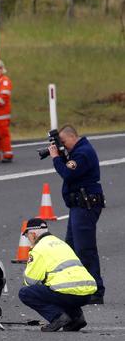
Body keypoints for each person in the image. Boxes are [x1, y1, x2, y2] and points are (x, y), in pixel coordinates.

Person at [48, 125, 105, 304]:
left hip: (85, 204)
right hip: (78, 205)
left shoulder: (82, 153)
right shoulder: (78, 151)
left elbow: (67, 173)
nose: (64, 146)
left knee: (85, 249)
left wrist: (56, 158)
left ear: (73, 137)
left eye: (64, 142)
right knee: (71, 247)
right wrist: (62, 155)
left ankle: (96, 290)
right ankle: (77, 286)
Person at [18, 218, 97, 332]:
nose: (28, 239)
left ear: (33, 234)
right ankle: (76, 318)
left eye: (27, 236)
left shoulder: (38, 249)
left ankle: (57, 317)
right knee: (61, 289)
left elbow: (31, 281)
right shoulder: (60, 243)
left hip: (67, 292)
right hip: (86, 294)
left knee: (26, 293)